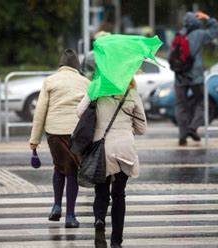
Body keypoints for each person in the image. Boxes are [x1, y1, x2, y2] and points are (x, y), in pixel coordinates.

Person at [77, 78, 147, 247]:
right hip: (125, 147)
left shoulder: (97, 87)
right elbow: (142, 128)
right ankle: (116, 241)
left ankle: (100, 220)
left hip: (102, 146)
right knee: (119, 194)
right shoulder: (131, 92)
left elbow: (80, 112)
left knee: (101, 191)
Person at [29, 48, 90, 228]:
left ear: (61, 64)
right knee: (72, 170)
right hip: (76, 132)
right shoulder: (86, 82)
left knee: (59, 166)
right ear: (77, 66)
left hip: (54, 132)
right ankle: (70, 215)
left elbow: (40, 111)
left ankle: (57, 206)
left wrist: (35, 140)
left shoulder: (50, 81)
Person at [173, 11, 218, 146]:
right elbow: (216, 31)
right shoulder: (199, 35)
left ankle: (182, 136)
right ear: (196, 22)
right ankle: (193, 128)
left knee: (180, 106)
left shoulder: (178, 35)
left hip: (180, 77)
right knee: (202, 101)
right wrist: (208, 18)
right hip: (196, 77)